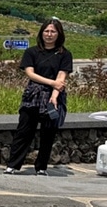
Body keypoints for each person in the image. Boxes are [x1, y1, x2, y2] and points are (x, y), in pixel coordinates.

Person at [5, 19, 72, 176]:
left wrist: (55, 95)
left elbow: (62, 76)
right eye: (46, 31)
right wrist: (52, 82)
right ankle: (13, 165)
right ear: (41, 33)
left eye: (53, 32)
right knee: (24, 130)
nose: (49, 35)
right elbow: (30, 73)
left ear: (59, 34)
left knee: (48, 133)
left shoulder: (65, 54)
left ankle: (41, 167)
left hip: (53, 96)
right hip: (33, 95)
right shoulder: (32, 52)